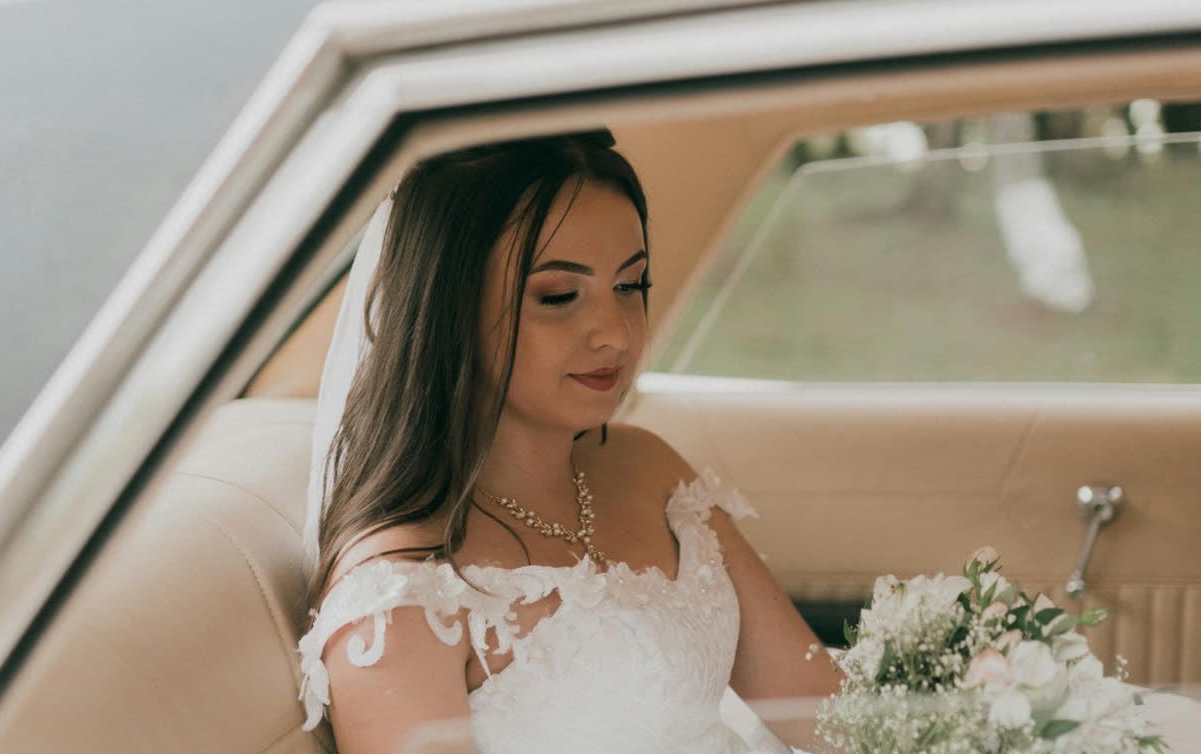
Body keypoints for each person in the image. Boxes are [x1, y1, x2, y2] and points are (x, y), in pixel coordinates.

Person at [296, 130, 843, 754]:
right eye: (559, 296)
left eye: (631, 286)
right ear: (450, 310)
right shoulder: (398, 601)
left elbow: (824, 709)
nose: (615, 333)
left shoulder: (646, 467)